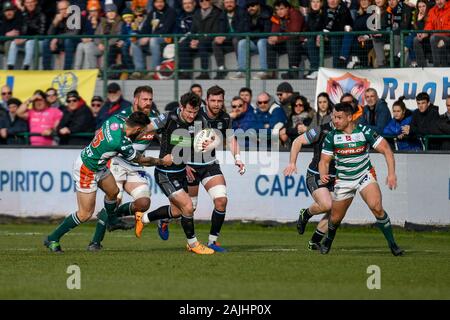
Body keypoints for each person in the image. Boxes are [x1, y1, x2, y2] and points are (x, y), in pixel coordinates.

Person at [44, 111, 172, 253]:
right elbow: (141, 160)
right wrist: (162, 161)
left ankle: (111, 220)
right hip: (87, 169)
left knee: (113, 192)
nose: (142, 135)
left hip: (99, 165)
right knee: (85, 214)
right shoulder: (119, 142)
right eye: (141, 132)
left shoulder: (116, 119)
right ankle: (53, 238)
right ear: (137, 129)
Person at [134, 92, 216, 255]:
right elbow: (144, 130)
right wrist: (132, 144)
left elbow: (206, 139)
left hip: (181, 171)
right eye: (189, 112)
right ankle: (193, 244)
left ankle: (142, 219)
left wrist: (207, 143)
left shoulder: (201, 119)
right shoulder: (167, 118)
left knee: (178, 211)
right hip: (165, 173)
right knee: (188, 206)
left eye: (195, 112)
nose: (192, 115)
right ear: (181, 108)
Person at [318, 103, 404, 256]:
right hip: (343, 180)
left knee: (376, 207)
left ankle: (393, 245)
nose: (335, 121)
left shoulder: (364, 131)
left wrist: (391, 174)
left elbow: (386, 150)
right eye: (334, 117)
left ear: (350, 117)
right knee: (336, 218)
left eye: (339, 118)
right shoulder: (332, 136)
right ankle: (329, 239)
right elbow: (324, 161)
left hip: (364, 175)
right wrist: (323, 173)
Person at [87, 86, 163, 251]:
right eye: (145, 99)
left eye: (150, 99)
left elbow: (167, 138)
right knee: (116, 200)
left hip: (136, 165)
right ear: (136, 100)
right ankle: (95, 242)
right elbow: (100, 135)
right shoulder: (122, 117)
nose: (148, 103)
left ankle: (111, 217)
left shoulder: (156, 118)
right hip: (116, 163)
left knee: (143, 203)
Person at [283, 112, 336, 251]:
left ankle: (314, 242)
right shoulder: (321, 130)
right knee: (326, 205)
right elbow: (297, 141)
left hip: (336, 177)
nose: (337, 119)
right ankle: (305, 214)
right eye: (335, 116)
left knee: (336, 211)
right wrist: (292, 163)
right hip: (316, 174)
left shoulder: (351, 133)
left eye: (340, 116)